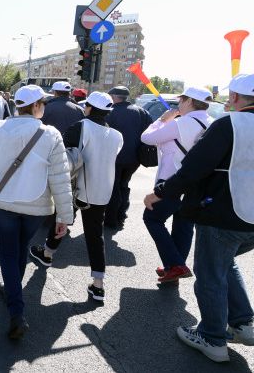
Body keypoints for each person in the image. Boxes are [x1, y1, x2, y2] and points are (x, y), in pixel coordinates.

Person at [144, 73, 254, 363]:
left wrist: (161, 192)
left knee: (210, 274)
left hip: (223, 214)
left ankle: (212, 338)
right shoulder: (222, 122)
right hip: (251, 222)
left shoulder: (227, 125)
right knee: (225, 263)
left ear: (234, 97)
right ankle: (243, 322)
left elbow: (194, 168)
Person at [0, 85, 73, 339]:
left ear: (18, 106)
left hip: (6, 204)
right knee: (21, 248)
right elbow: (60, 179)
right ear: (37, 105)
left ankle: (16, 310)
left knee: (9, 253)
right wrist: (64, 216)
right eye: (43, 103)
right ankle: (13, 292)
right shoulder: (51, 134)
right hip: (37, 207)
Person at [29, 92, 122, 302]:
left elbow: (62, 155)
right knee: (95, 235)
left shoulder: (81, 126)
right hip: (102, 191)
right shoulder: (117, 135)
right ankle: (98, 284)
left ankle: (47, 254)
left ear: (89, 108)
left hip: (76, 186)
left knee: (61, 218)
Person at [139, 87, 214, 283]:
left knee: (152, 218)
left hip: (171, 181)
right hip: (197, 184)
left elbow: (146, 138)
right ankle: (174, 267)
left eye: (181, 100)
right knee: (184, 225)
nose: (179, 103)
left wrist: (162, 120)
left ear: (189, 101)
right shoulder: (213, 123)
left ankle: (176, 264)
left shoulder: (180, 123)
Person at [105, 85, 152, 230]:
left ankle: (111, 219)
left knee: (113, 188)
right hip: (134, 159)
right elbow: (150, 132)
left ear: (114, 97)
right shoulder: (141, 112)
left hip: (114, 157)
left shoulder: (109, 112)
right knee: (124, 186)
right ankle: (121, 216)